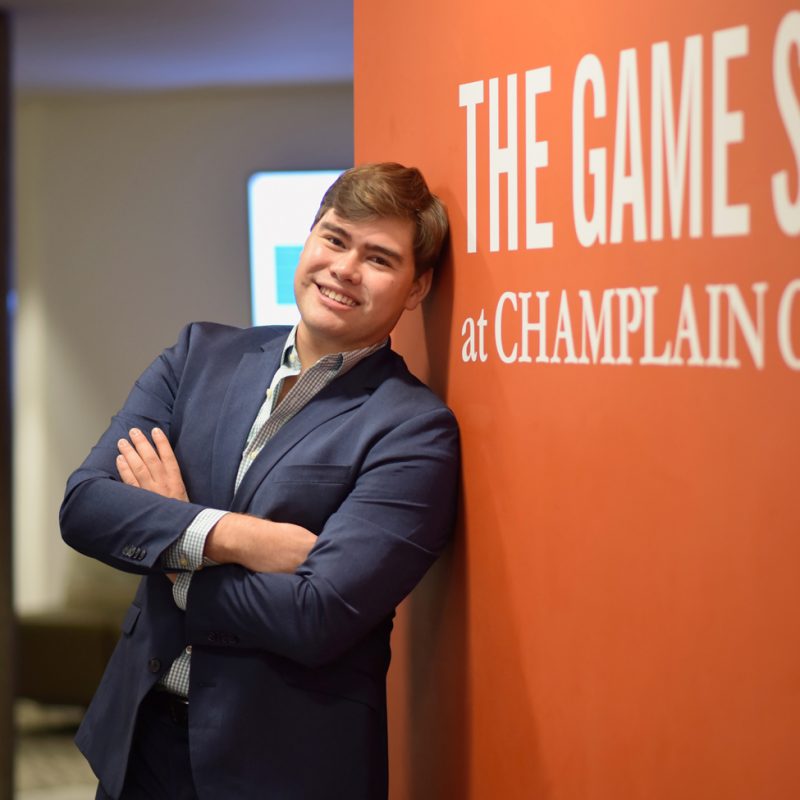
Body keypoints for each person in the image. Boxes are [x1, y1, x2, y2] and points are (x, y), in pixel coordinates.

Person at [59, 162, 459, 800]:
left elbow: (316, 614)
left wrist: (172, 540)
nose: (344, 269)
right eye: (333, 238)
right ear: (307, 241)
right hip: (139, 744)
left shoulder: (413, 429)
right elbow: (85, 507)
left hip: (280, 764)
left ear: (416, 289)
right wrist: (232, 536)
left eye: (379, 258)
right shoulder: (197, 357)